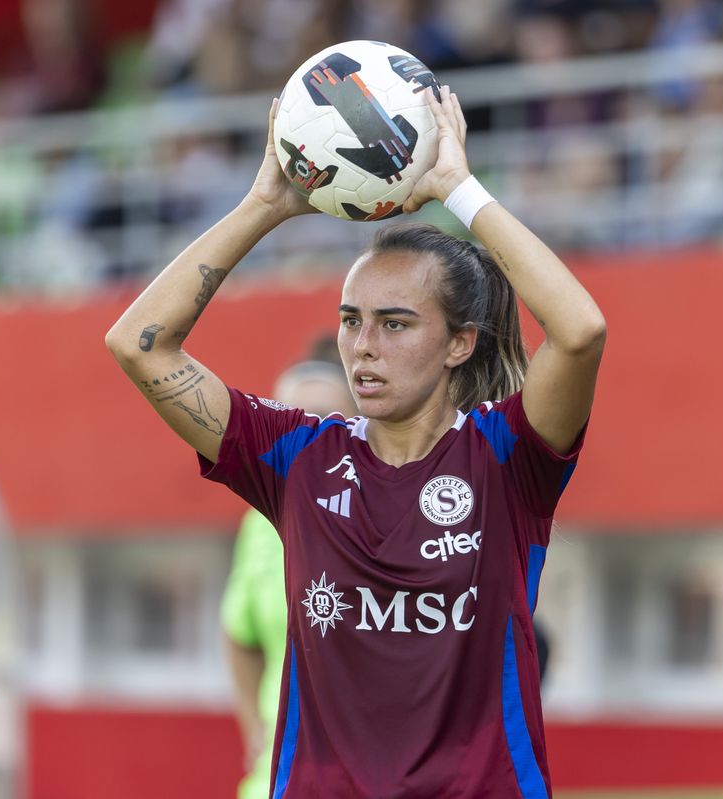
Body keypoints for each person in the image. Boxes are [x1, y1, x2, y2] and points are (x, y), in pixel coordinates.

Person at [105, 85, 605, 797]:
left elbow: (581, 331)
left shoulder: (506, 457)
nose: (362, 348)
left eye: (395, 324)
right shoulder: (296, 458)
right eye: (350, 320)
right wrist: (264, 207)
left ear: (460, 343)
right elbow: (139, 343)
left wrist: (459, 191)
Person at [222, 356, 355, 799]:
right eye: (295, 418)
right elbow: (238, 630)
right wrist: (252, 727)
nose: (309, 434)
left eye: (325, 420)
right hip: (275, 779)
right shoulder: (259, 523)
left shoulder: (386, 515)